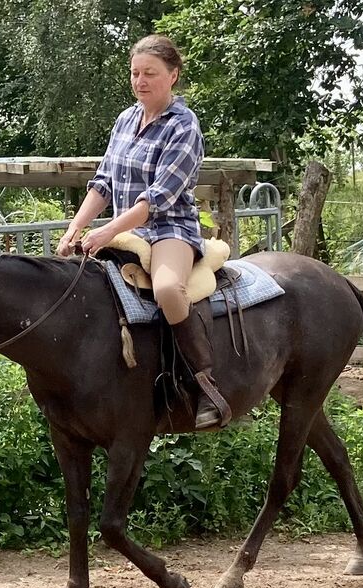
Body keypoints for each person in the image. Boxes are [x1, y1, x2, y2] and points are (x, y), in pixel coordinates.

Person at [56, 34, 230, 429]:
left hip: (169, 229)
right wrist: (76, 227)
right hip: (124, 233)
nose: (140, 81)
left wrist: (103, 233)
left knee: (169, 289)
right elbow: (103, 184)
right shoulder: (124, 119)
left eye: (150, 73)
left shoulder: (184, 126)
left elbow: (157, 199)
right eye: (135, 73)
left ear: (173, 76)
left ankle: (203, 384)